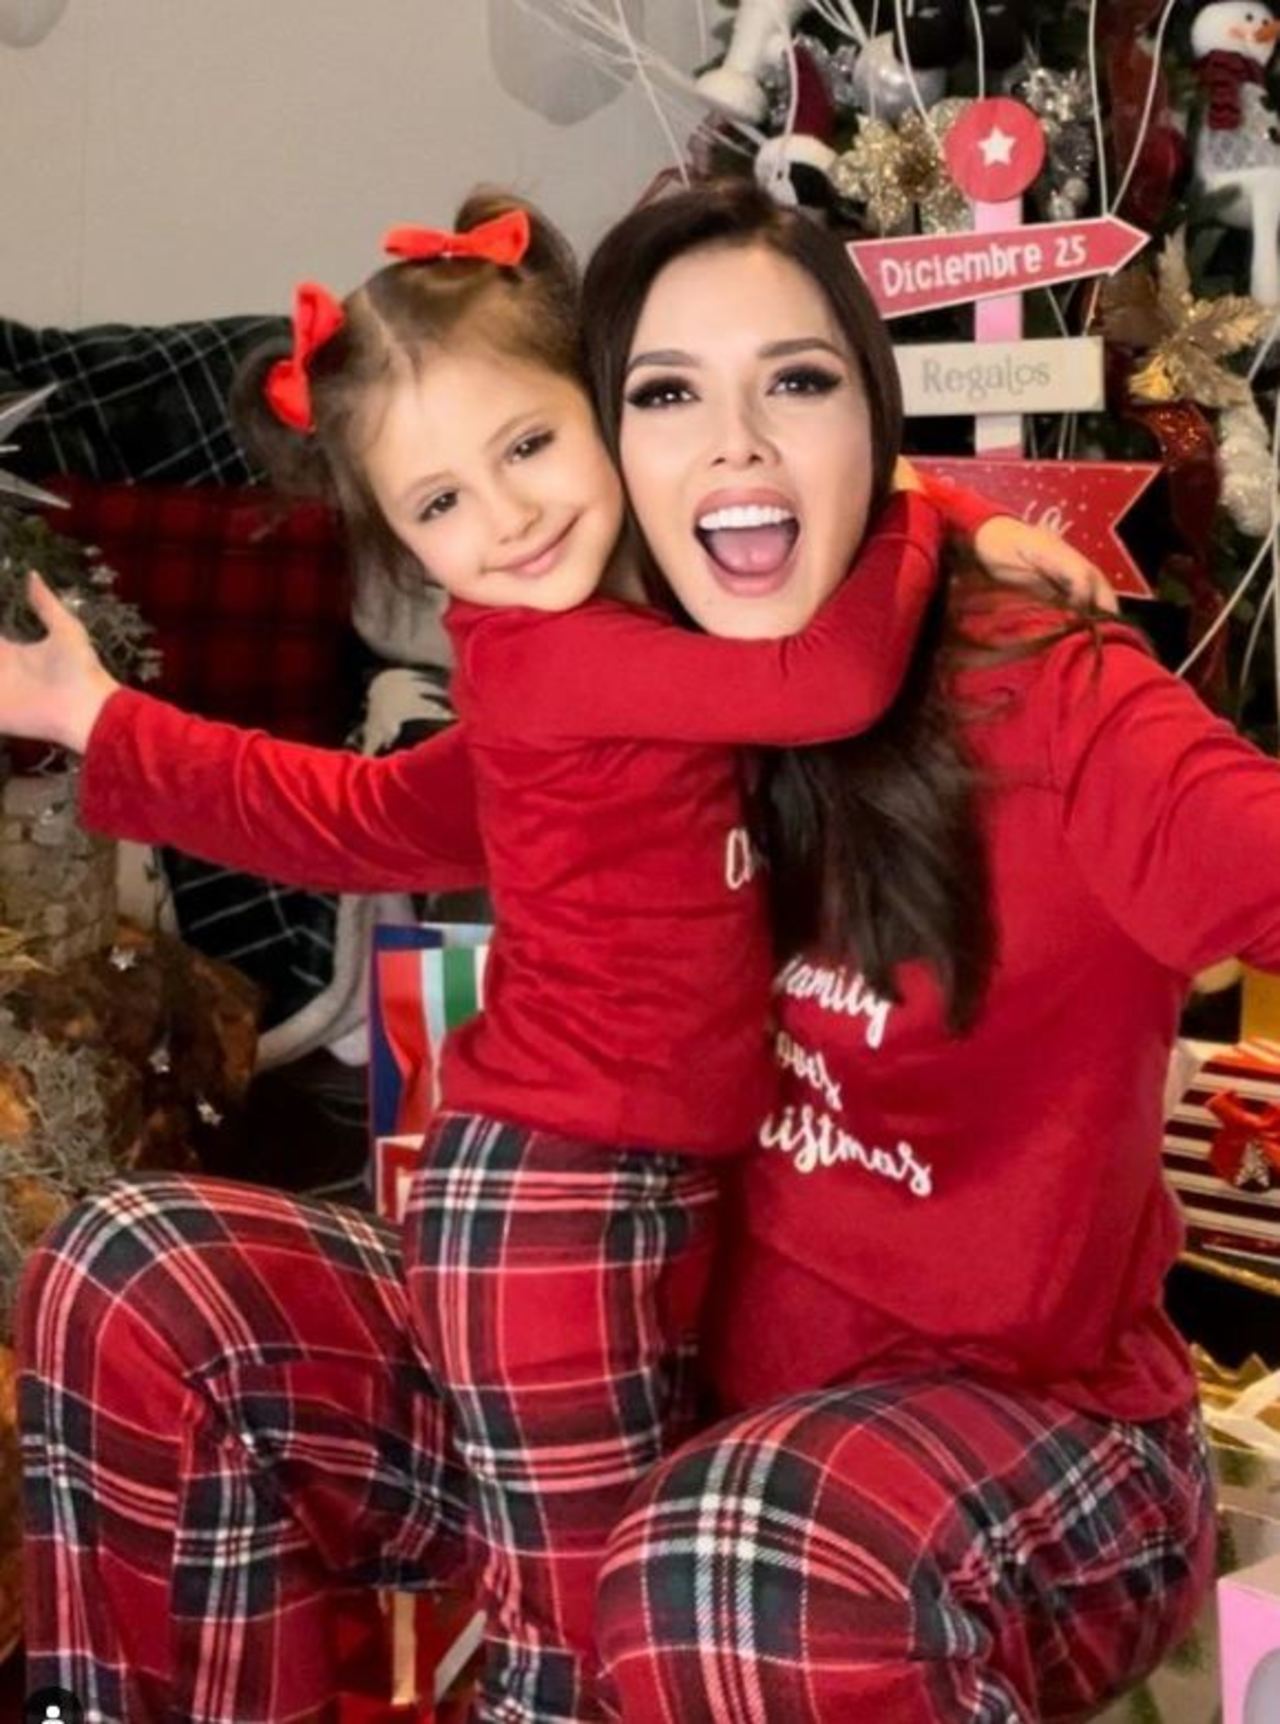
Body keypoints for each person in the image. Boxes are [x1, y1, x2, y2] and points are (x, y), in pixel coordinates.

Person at [7, 190, 1093, 1724]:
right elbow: (833, 677)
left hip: (591, 1194)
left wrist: (109, 725)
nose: (507, 520)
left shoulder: (604, 662)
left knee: (595, 1591)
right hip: (558, 1205)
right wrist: (929, 508)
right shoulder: (561, 663)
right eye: (441, 505)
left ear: (602, 406)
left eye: (528, 446)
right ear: (403, 547)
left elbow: (359, 815)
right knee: (571, 1631)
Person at [568, 181, 1264, 1720]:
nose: (736, 445)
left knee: (728, 1557)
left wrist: (947, 527)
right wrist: (96, 723)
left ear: (870, 430)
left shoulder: (1056, 701)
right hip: (692, 1426)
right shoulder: (619, 695)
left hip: (1052, 1449)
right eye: (667, 394)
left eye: (797, 383)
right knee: (152, 1278)